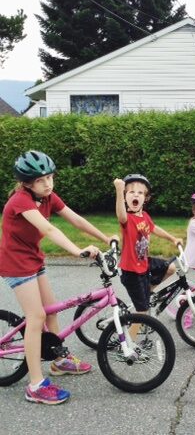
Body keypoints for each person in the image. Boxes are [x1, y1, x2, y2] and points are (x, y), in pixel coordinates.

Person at [0, 150, 118, 405]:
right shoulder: (20, 201)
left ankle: (58, 360)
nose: (49, 184)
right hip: (15, 264)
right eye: (42, 180)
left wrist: (105, 237)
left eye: (51, 177)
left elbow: (75, 219)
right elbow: (48, 228)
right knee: (37, 316)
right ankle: (35, 385)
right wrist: (77, 251)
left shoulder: (48, 197)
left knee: (51, 310)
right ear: (27, 183)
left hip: (33, 259)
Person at [113, 174, 182, 319]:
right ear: (125, 197)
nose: (135, 195)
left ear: (146, 198)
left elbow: (154, 228)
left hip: (144, 262)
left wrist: (172, 238)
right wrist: (119, 191)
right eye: (131, 192)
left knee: (171, 268)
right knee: (142, 314)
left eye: (140, 193)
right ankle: (130, 341)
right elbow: (120, 214)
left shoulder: (144, 215)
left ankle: (147, 292)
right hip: (131, 271)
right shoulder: (127, 218)